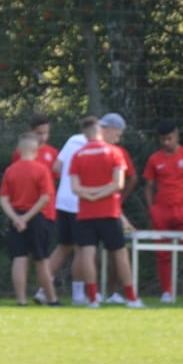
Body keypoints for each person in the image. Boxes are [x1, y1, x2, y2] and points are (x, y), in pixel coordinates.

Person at [69, 121, 143, 308]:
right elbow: (118, 184)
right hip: (109, 211)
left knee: (87, 253)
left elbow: (75, 188)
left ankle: (93, 298)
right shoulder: (114, 152)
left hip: (86, 213)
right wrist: (100, 194)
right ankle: (132, 298)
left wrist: (90, 195)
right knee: (120, 253)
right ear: (100, 131)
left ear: (85, 134)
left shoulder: (77, 155)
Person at [142, 120, 183, 304]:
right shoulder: (154, 159)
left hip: (182, 210)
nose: (166, 142)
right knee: (162, 253)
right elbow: (148, 186)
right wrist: (152, 209)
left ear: (177, 136)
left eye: (169, 138)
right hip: (161, 211)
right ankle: (167, 292)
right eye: (163, 139)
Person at [43, 115, 98, 305]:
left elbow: (57, 167)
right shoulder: (96, 146)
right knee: (82, 249)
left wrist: (68, 180)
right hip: (79, 202)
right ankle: (78, 295)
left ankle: (43, 290)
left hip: (62, 201)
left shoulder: (72, 140)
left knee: (63, 246)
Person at [0, 131, 58, 306]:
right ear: (37, 150)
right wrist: (27, 217)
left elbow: (3, 199)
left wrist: (16, 218)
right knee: (41, 259)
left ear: (18, 149)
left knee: (19, 258)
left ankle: (21, 299)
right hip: (37, 217)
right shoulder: (41, 169)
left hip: (17, 217)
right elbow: (45, 198)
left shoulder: (10, 170)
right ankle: (52, 299)